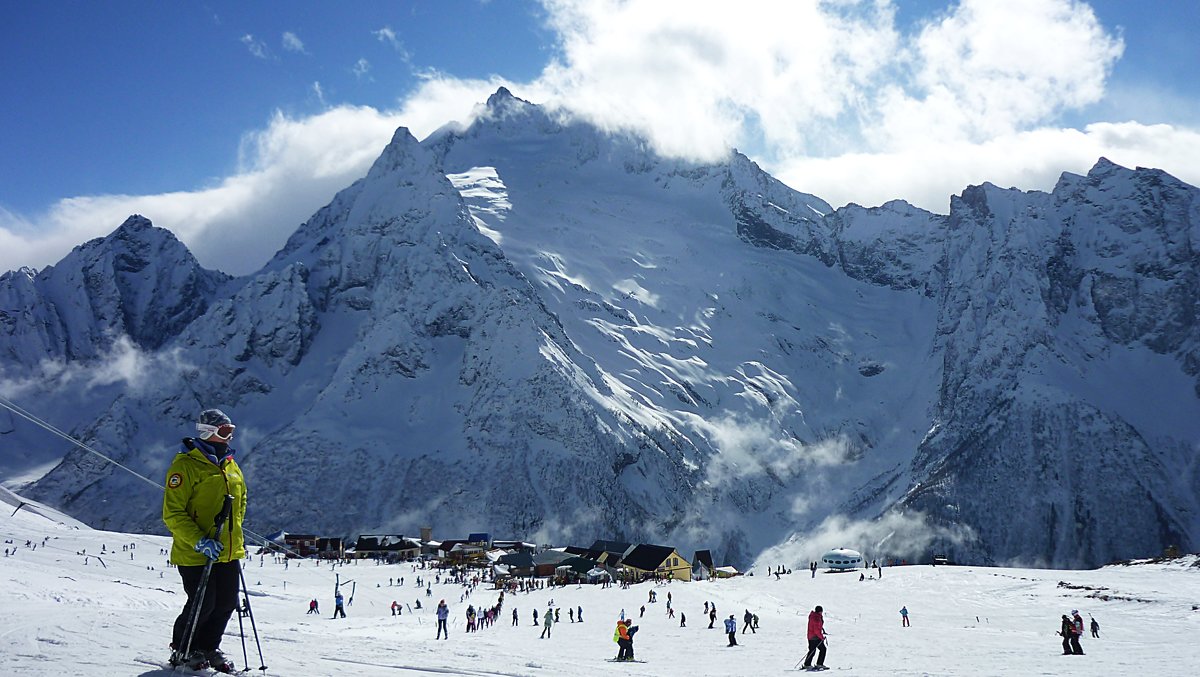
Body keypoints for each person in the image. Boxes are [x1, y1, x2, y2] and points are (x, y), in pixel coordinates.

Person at [164, 409, 247, 673]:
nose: (230, 435)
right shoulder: (185, 466)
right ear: (208, 431)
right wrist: (200, 540)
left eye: (231, 430)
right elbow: (173, 513)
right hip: (195, 552)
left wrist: (233, 534)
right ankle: (183, 650)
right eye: (224, 431)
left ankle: (209, 647)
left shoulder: (230, 464)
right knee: (203, 603)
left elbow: (241, 501)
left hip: (227, 549)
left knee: (226, 602)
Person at [802, 605, 827, 670]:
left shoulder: (815, 616)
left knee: (816, 650)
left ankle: (815, 664)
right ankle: (809, 664)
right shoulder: (816, 618)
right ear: (820, 611)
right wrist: (821, 637)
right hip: (814, 637)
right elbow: (816, 630)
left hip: (813, 636)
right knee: (817, 650)